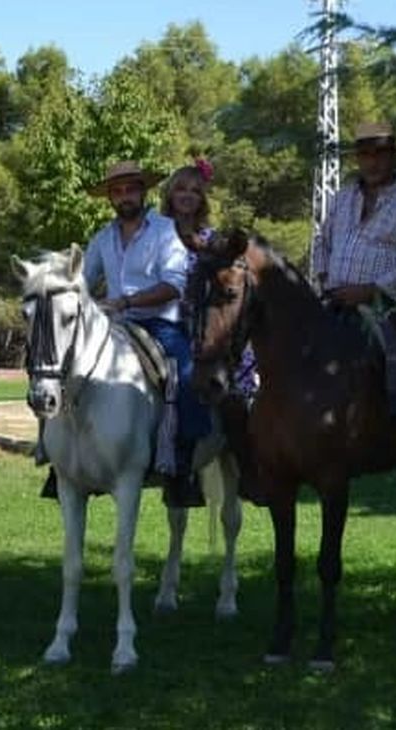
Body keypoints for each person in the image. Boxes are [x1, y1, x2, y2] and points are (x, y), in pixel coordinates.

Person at [312, 122, 396, 494]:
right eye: (365, 153)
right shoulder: (342, 197)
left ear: (393, 156)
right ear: (357, 158)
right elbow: (322, 238)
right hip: (335, 298)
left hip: (390, 305)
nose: (372, 161)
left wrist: (369, 291)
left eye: (380, 153)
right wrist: (323, 276)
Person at [80, 161, 209, 507]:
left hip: (159, 323)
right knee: (61, 370)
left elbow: (173, 285)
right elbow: (82, 282)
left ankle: (183, 470)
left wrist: (125, 301)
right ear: (110, 197)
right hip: (111, 326)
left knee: (185, 377)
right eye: (117, 191)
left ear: (143, 191)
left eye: (131, 189)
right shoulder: (102, 238)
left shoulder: (165, 231)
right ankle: (63, 460)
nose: (125, 196)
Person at [161, 161, 266, 506]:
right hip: (162, 320)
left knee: (234, 391)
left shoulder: (212, 240)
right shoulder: (155, 234)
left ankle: (248, 466)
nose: (187, 197)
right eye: (181, 189)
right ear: (170, 194)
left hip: (207, 328)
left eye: (194, 191)